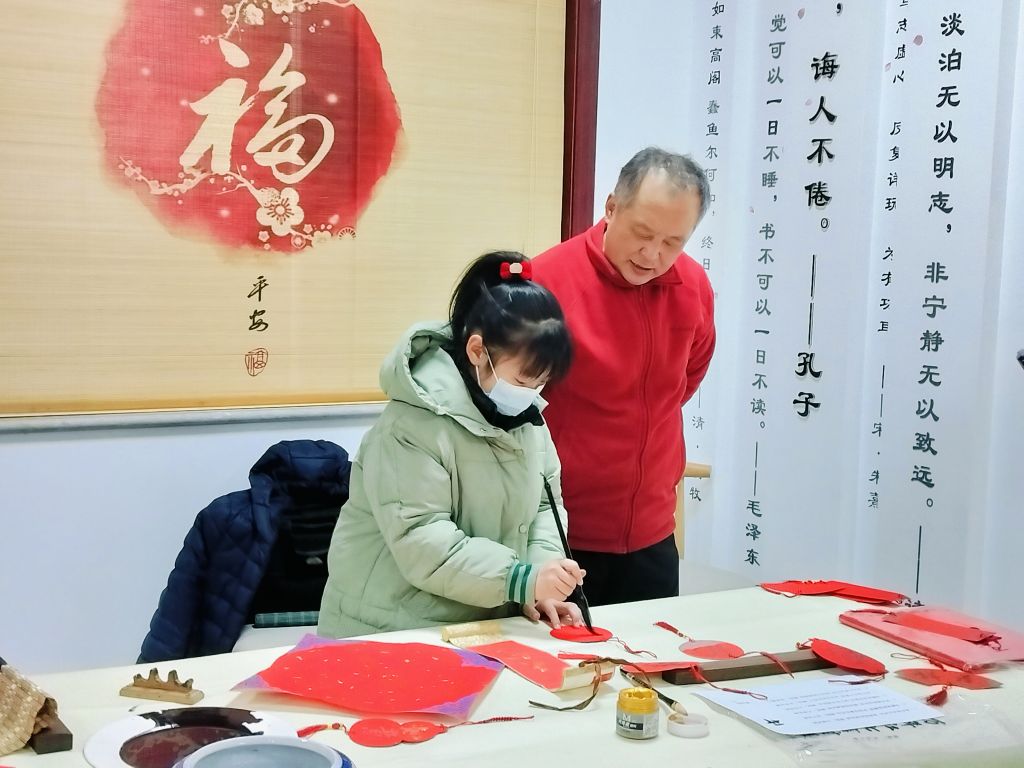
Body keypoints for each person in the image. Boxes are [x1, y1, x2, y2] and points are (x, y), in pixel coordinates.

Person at [318, 251, 586, 637]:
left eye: (542, 382)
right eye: (524, 381)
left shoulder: (527, 421)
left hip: (480, 624)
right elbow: (422, 538)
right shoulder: (412, 425)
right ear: (477, 351)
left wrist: (543, 579)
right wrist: (520, 579)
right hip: (390, 627)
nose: (532, 394)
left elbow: (546, 507)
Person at [532, 147, 715, 605]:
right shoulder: (547, 282)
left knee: (652, 650)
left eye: (673, 242)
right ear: (611, 208)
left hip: (653, 533)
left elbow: (687, 378)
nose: (652, 255)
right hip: (560, 534)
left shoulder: (693, 286)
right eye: (642, 233)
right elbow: (512, 403)